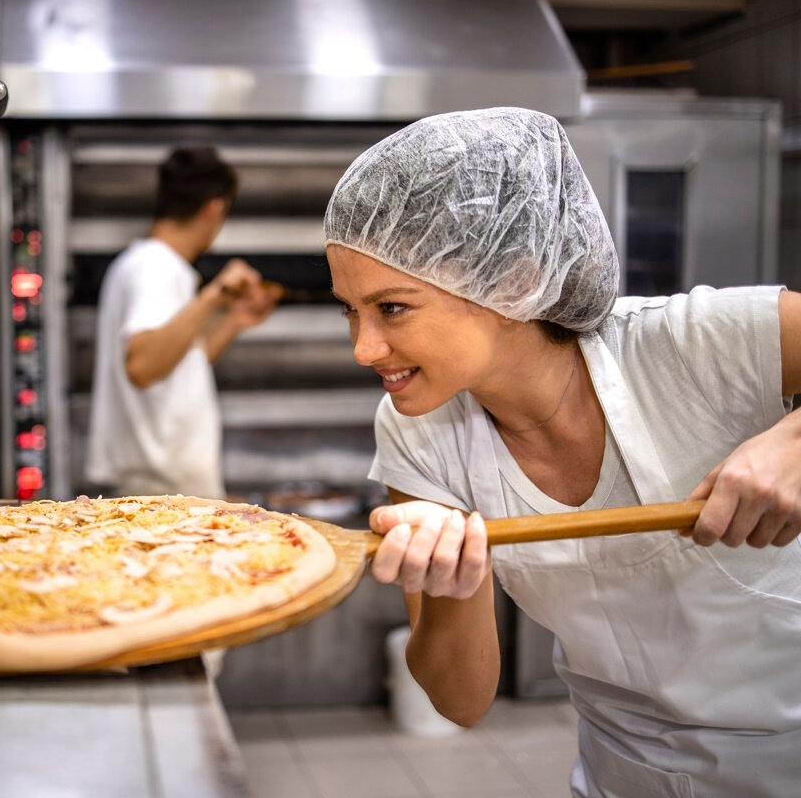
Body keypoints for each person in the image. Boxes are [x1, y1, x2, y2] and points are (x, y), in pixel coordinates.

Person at [324, 107, 801, 796]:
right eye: (349, 310)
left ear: (512, 282)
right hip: (622, 776)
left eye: (392, 308)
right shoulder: (416, 428)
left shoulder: (697, 345)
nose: (363, 348)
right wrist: (452, 582)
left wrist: (794, 440)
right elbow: (461, 702)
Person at [87, 146, 281, 498]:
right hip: (164, 494)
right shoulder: (156, 267)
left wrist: (233, 321)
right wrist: (215, 293)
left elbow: (177, 364)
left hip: (166, 487)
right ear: (215, 207)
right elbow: (144, 366)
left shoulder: (143, 263)